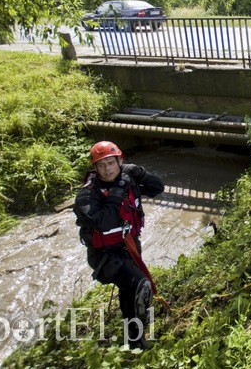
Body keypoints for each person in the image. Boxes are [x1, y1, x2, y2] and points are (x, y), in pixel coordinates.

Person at [73, 141, 164, 350]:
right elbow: (101, 222)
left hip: (129, 245)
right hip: (105, 256)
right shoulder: (87, 195)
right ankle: (137, 339)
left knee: (129, 290)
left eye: (111, 163)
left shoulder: (127, 180)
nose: (107, 170)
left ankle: (132, 338)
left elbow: (157, 188)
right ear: (94, 168)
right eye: (101, 165)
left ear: (120, 161)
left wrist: (140, 173)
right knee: (140, 285)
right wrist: (116, 192)